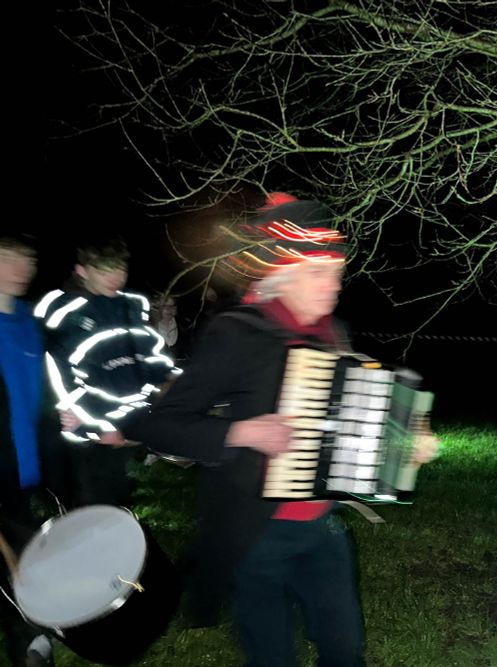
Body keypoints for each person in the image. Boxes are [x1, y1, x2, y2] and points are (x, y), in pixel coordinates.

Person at [127, 193, 438, 667]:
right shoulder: (238, 333)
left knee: (345, 649)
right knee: (272, 657)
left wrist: (405, 446)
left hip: (320, 529)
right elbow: (160, 425)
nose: (333, 286)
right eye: (319, 273)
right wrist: (242, 433)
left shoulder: (333, 335)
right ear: (283, 274)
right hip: (255, 536)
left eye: (337, 274)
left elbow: (352, 428)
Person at [33, 237, 181, 507]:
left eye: (119, 269)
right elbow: (61, 378)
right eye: (103, 270)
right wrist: (102, 427)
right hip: (94, 432)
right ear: (82, 271)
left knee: (123, 498)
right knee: (94, 506)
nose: (115, 278)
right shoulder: (65, 313)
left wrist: (175, 380)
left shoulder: (131, 305)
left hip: (132, 421)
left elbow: (148, 352)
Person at [0, 232, 60, 667]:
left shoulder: (28, 319)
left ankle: (31, 639)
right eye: (9, 259)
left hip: (32, 464)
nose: (22, 270)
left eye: (28, 260)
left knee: (27, 561)